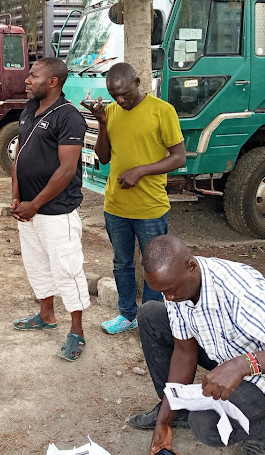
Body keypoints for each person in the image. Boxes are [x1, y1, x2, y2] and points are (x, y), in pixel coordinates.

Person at [133, 235, 265, 455]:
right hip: (228, 356)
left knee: (205, 425)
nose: (169, 298)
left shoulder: (241, 291)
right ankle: (179, 410)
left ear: (191, 266)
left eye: (171, 290)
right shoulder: (177, 286)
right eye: (163, 292)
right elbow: (184, 353)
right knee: (150, 314)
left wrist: (242, 365)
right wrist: (165, 419)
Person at [82, 62, 185, 335]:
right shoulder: (112, 112)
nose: (120, 99)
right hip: (115, 206)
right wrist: (102, 124)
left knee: (154, 265)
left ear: (138, 83)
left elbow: (179, 157)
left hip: (150, 207)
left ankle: (151, 320)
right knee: (121, 263)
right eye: (114, 94)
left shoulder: (162, 111)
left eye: (125, 93)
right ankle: (127, 314)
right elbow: (103, 157)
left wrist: (141, 171)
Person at [10, 57, 90, 362]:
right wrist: (18, 196)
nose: (27, 80)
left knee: (67, 269)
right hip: (27, 209)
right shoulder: (30, 109)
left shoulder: (69, 116)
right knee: (37, 265)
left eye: (33, 76)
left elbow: (67, 169)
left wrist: (36, 203)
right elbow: (20, 155)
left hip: (56, 211)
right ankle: (46, 314)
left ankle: (77, 331)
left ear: (53, 81)